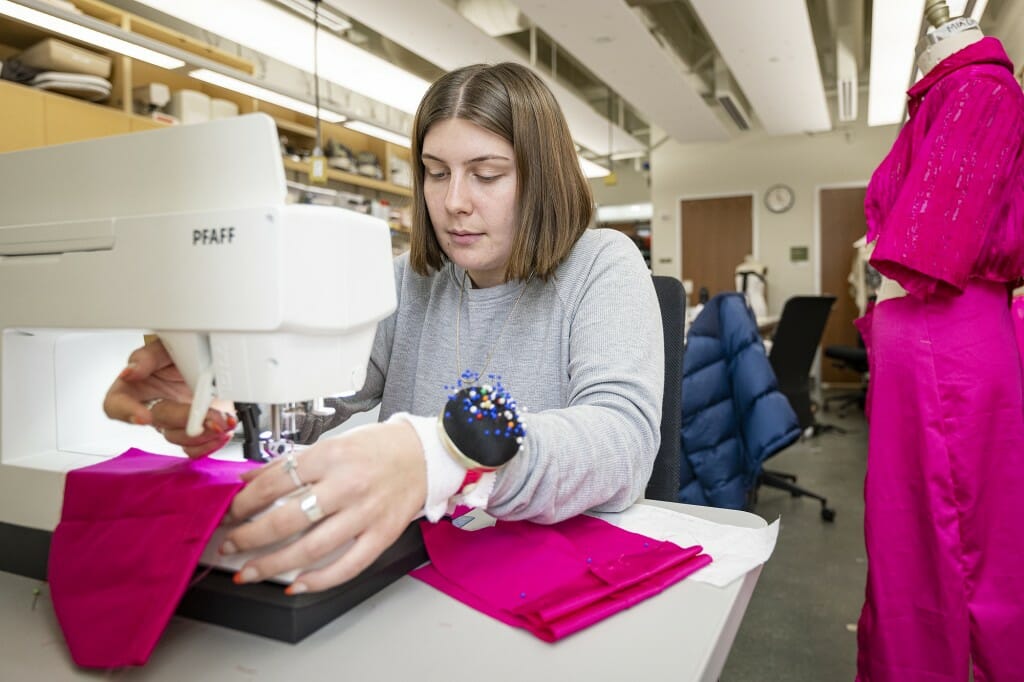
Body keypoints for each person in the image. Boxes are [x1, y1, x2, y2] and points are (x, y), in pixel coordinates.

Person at [103, 62, 663, 596]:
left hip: (559, 570)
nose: (453, 202)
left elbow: (621, 441)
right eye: (436, 172)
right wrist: (227, 394)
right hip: (423, 572)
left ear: (543, 178)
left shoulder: (602, 264)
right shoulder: (409, 282)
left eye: (486, 175)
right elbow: (317, 401)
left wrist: (445, 456)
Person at [855, 4, 1024, 679]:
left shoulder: (980, 89)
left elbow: (927, 242)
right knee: (911, 537)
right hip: (928, 336)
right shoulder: (942, 95)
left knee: (954, 543)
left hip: (944, 338)